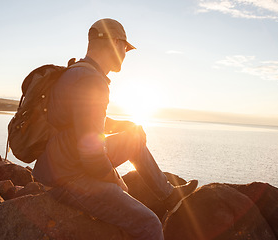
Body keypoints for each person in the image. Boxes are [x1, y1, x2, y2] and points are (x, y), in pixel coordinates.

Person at [32, 18, 198, 240]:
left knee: (133, 139)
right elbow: (91, 156)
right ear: (114, 43)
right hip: (69, 176)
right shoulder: (92, 81)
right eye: (125, 47)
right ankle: (162, 199)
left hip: (61, 161)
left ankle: (167, 194)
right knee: (149, 224)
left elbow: (85, 120)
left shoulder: (77, 72)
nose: (126, 53)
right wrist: (115, 180)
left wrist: (126, 127)